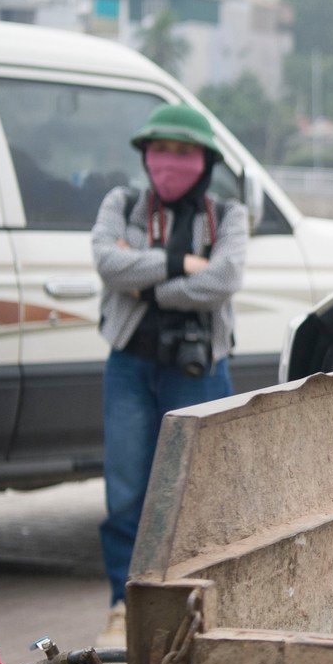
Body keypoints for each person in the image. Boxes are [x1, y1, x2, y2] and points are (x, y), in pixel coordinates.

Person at [91, 103, 248, 622]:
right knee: (127, 491)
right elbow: (108, 263)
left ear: (205, 161)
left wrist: (149, 287)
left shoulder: (228, 215)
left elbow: (223, 280)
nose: (171, 162)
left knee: (195, 492)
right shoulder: (123, 201)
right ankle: (124, 605)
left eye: (184, 152)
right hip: (130, 367)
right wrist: (182, 266)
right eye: (162, 150)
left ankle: (190, 603)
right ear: (145, 156)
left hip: (198, 370)